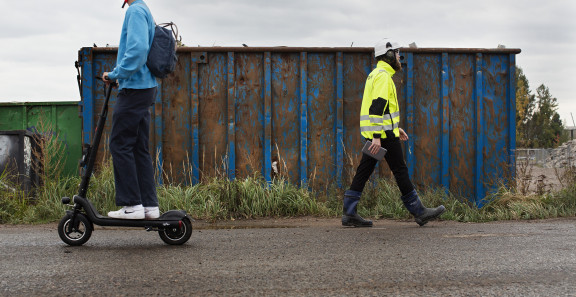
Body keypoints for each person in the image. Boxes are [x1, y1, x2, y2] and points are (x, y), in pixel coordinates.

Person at [342, 39, 445, 227]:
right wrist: (377, 137)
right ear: (388, 55)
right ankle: (419, 211)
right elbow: (377, 106)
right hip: (382, 135)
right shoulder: (383, 76)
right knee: (400, 169)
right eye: (397, 53)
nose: (399, 57)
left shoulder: (375, 75)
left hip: (383, 132)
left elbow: (383, 109)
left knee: (364, 171)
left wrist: (395, 127)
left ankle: (349, 212)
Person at [103, 0, 159, 219]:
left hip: (135, 89)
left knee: (119, 145)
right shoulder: (144, 9)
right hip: (144, 88)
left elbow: (138, 50)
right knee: (138, 148)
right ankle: (149, 207)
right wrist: (120, 77)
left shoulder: (135, 11)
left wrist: (116, 74)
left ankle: (132, 205)